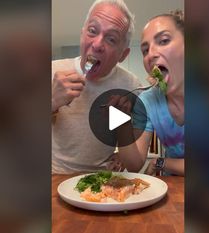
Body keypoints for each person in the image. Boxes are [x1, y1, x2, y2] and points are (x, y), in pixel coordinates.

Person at [52, 0, 141, 174]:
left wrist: (121, 123)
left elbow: (133, 158)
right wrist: (51, 101)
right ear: (82, 34)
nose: (98, 44)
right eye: (92, 31)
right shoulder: (52, 71)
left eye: (111, 38)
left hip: (102, 183)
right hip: (54, 178)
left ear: (123, 54)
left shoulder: (131, 86)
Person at [116, 10, 184, 176]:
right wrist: (119, 121)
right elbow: (134, 164)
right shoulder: (147, 101)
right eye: (145, 50)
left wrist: (161, 162)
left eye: (164, 40)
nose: (151, 54)